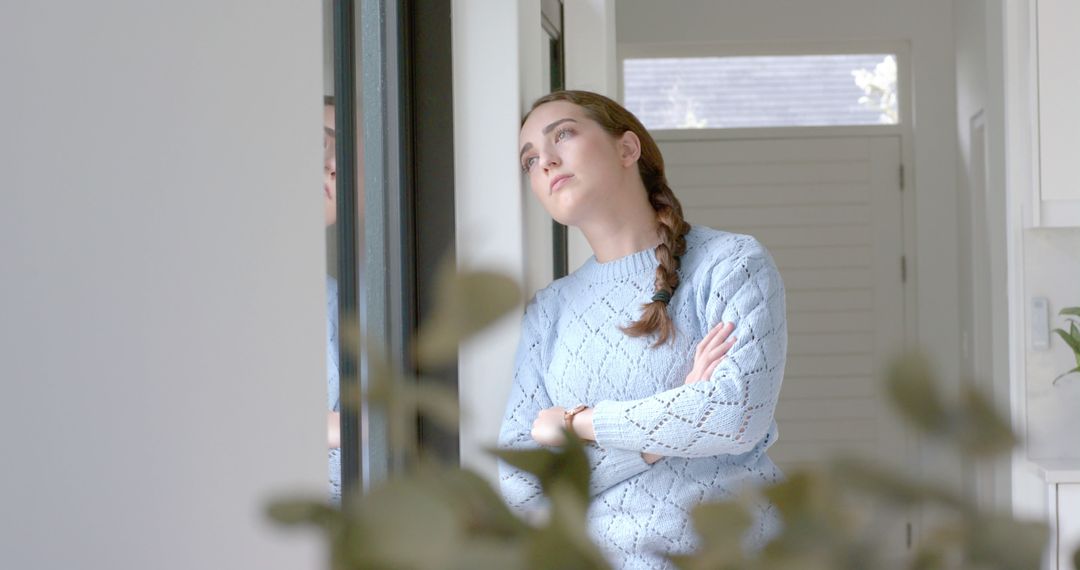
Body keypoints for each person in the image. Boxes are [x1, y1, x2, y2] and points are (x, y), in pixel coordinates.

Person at [498, 90, 787, 568]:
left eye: (563, 135)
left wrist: (576, 423)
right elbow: (521, 487)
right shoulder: (550, 310)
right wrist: (654, 443)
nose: (545, 161)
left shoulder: (731, 263)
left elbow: (735, 416)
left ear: (627, 149)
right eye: (529, 159)